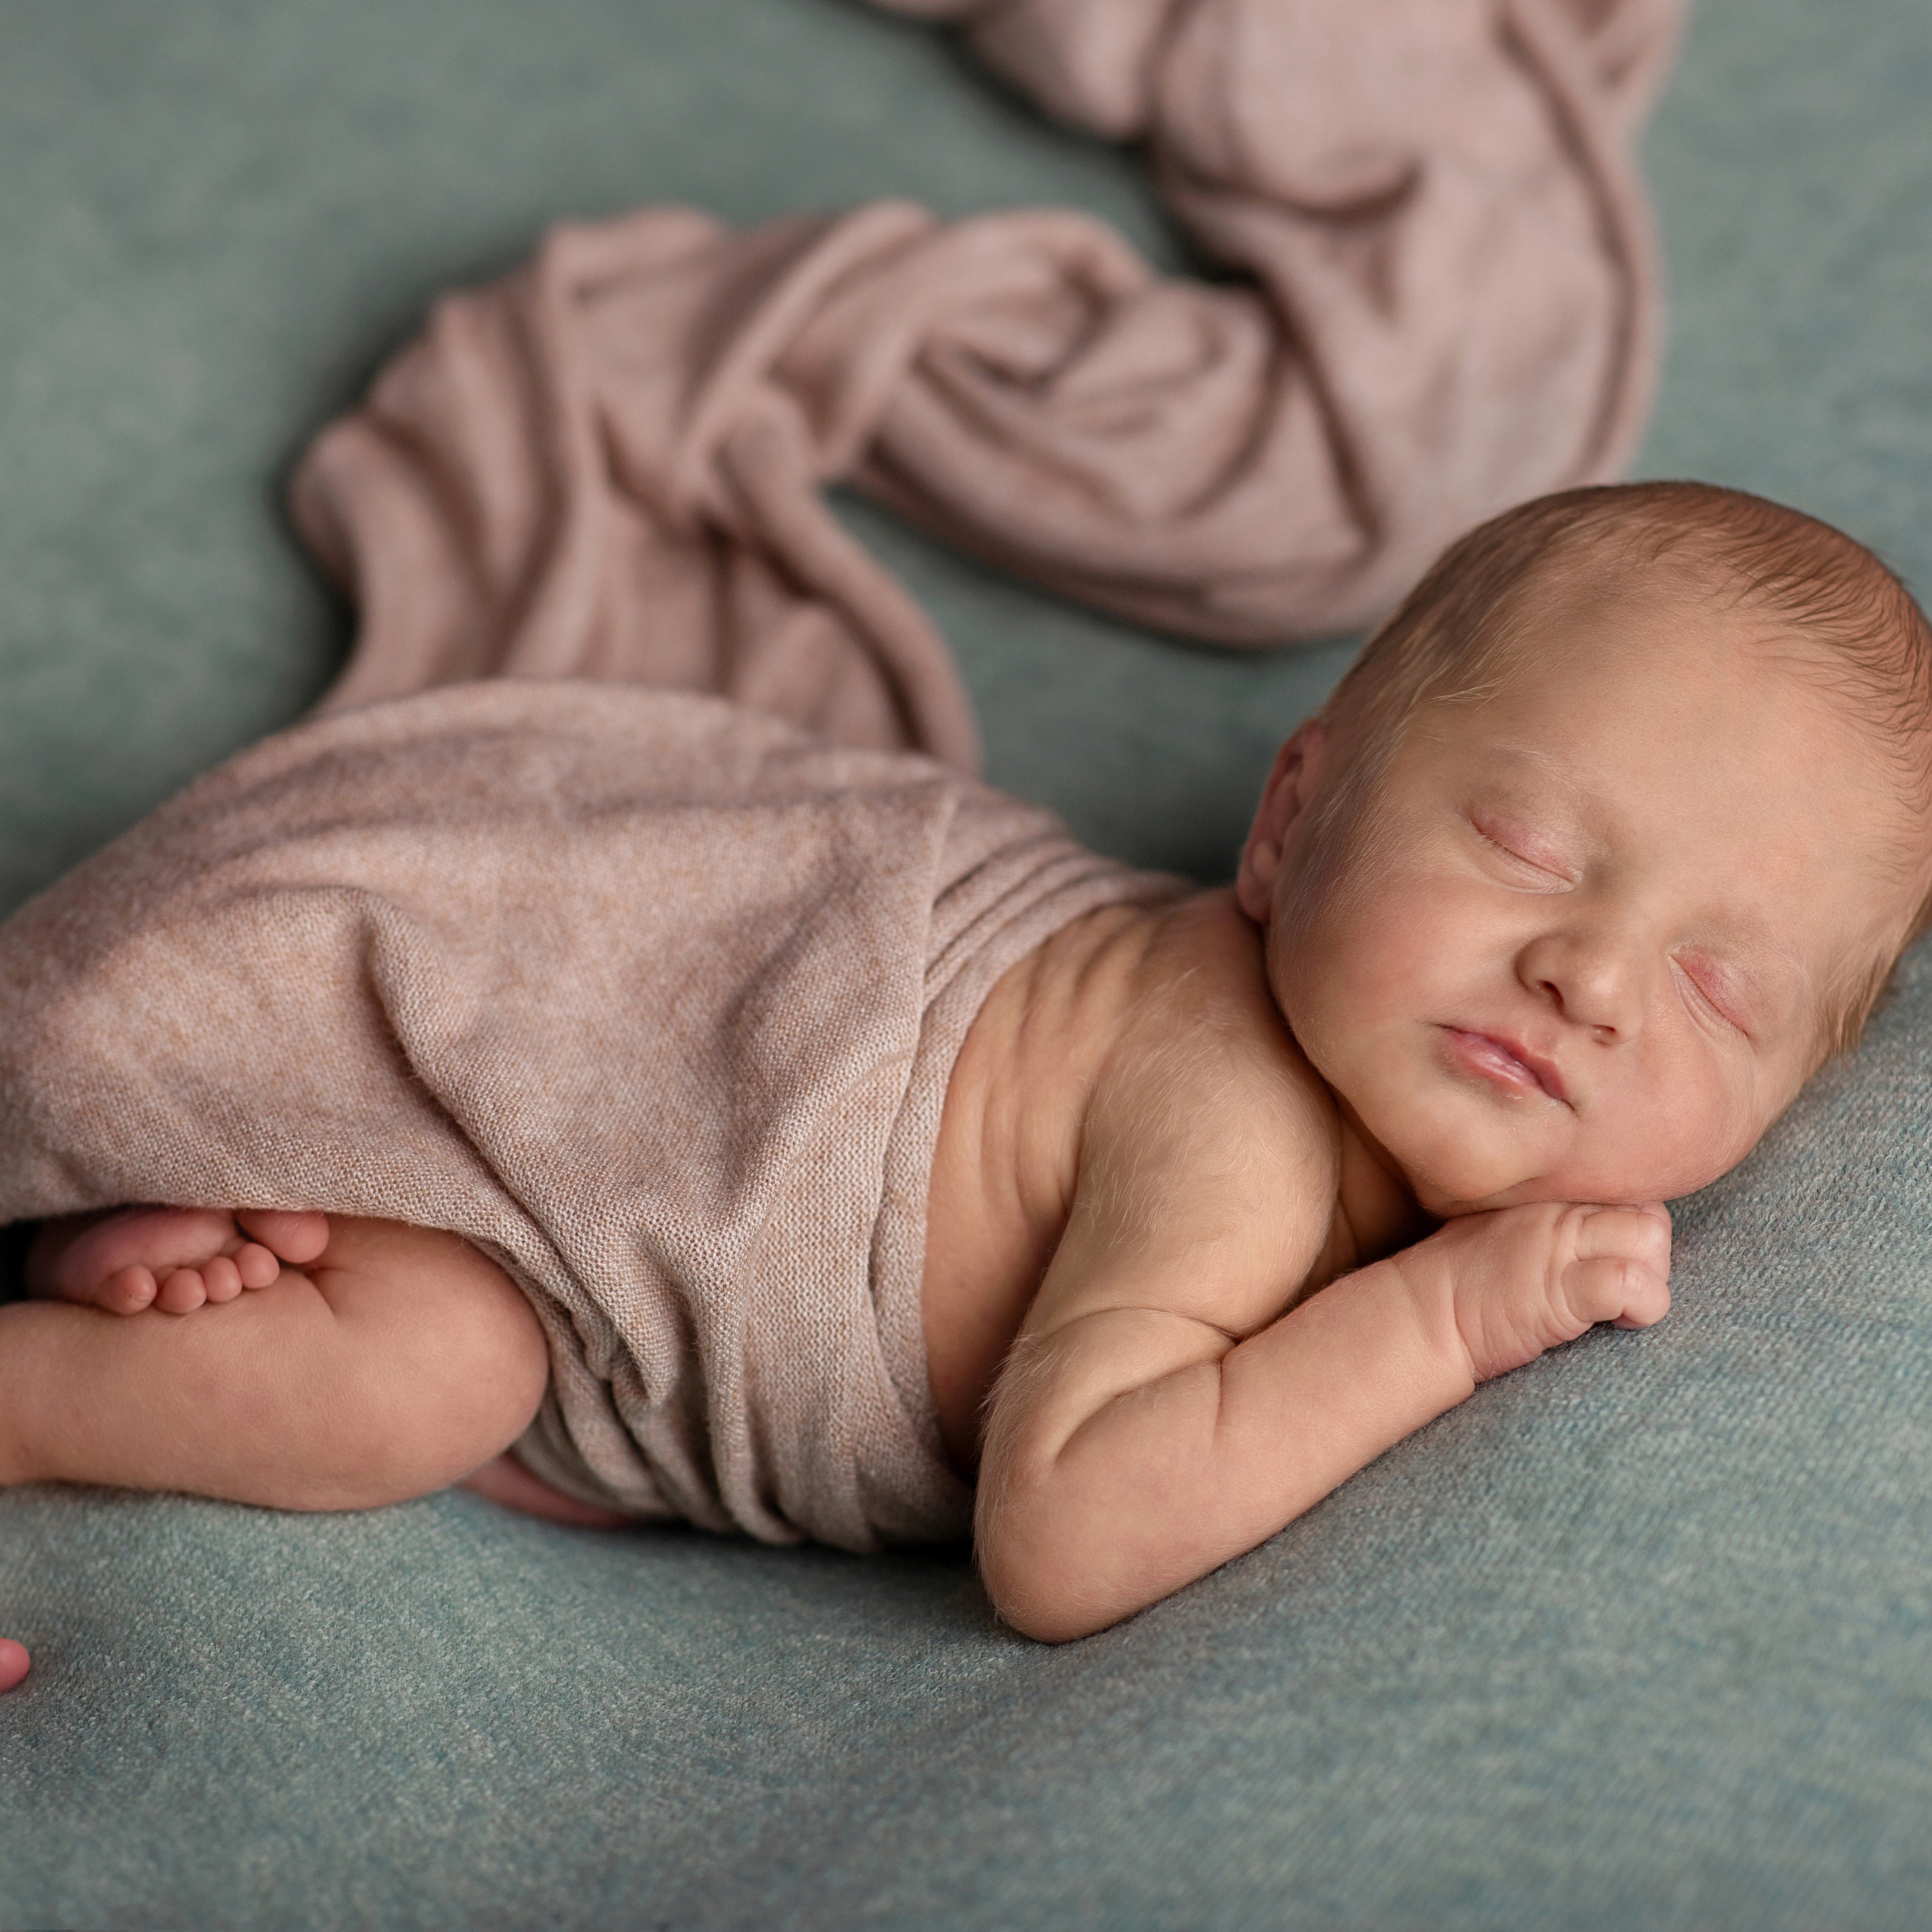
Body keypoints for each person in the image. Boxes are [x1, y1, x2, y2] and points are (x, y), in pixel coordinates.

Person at [6, 481, 1928, 1665]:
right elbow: (1067, 1533)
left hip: (545, 1230)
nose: (1586, 972)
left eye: (1712, 984)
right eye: (1519, 842)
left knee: (432, 1320)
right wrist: (1446, 1315)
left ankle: (209, 1212)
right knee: (421, 1378)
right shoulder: (1234, 1112)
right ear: (1289, 824)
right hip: (606, 1104)